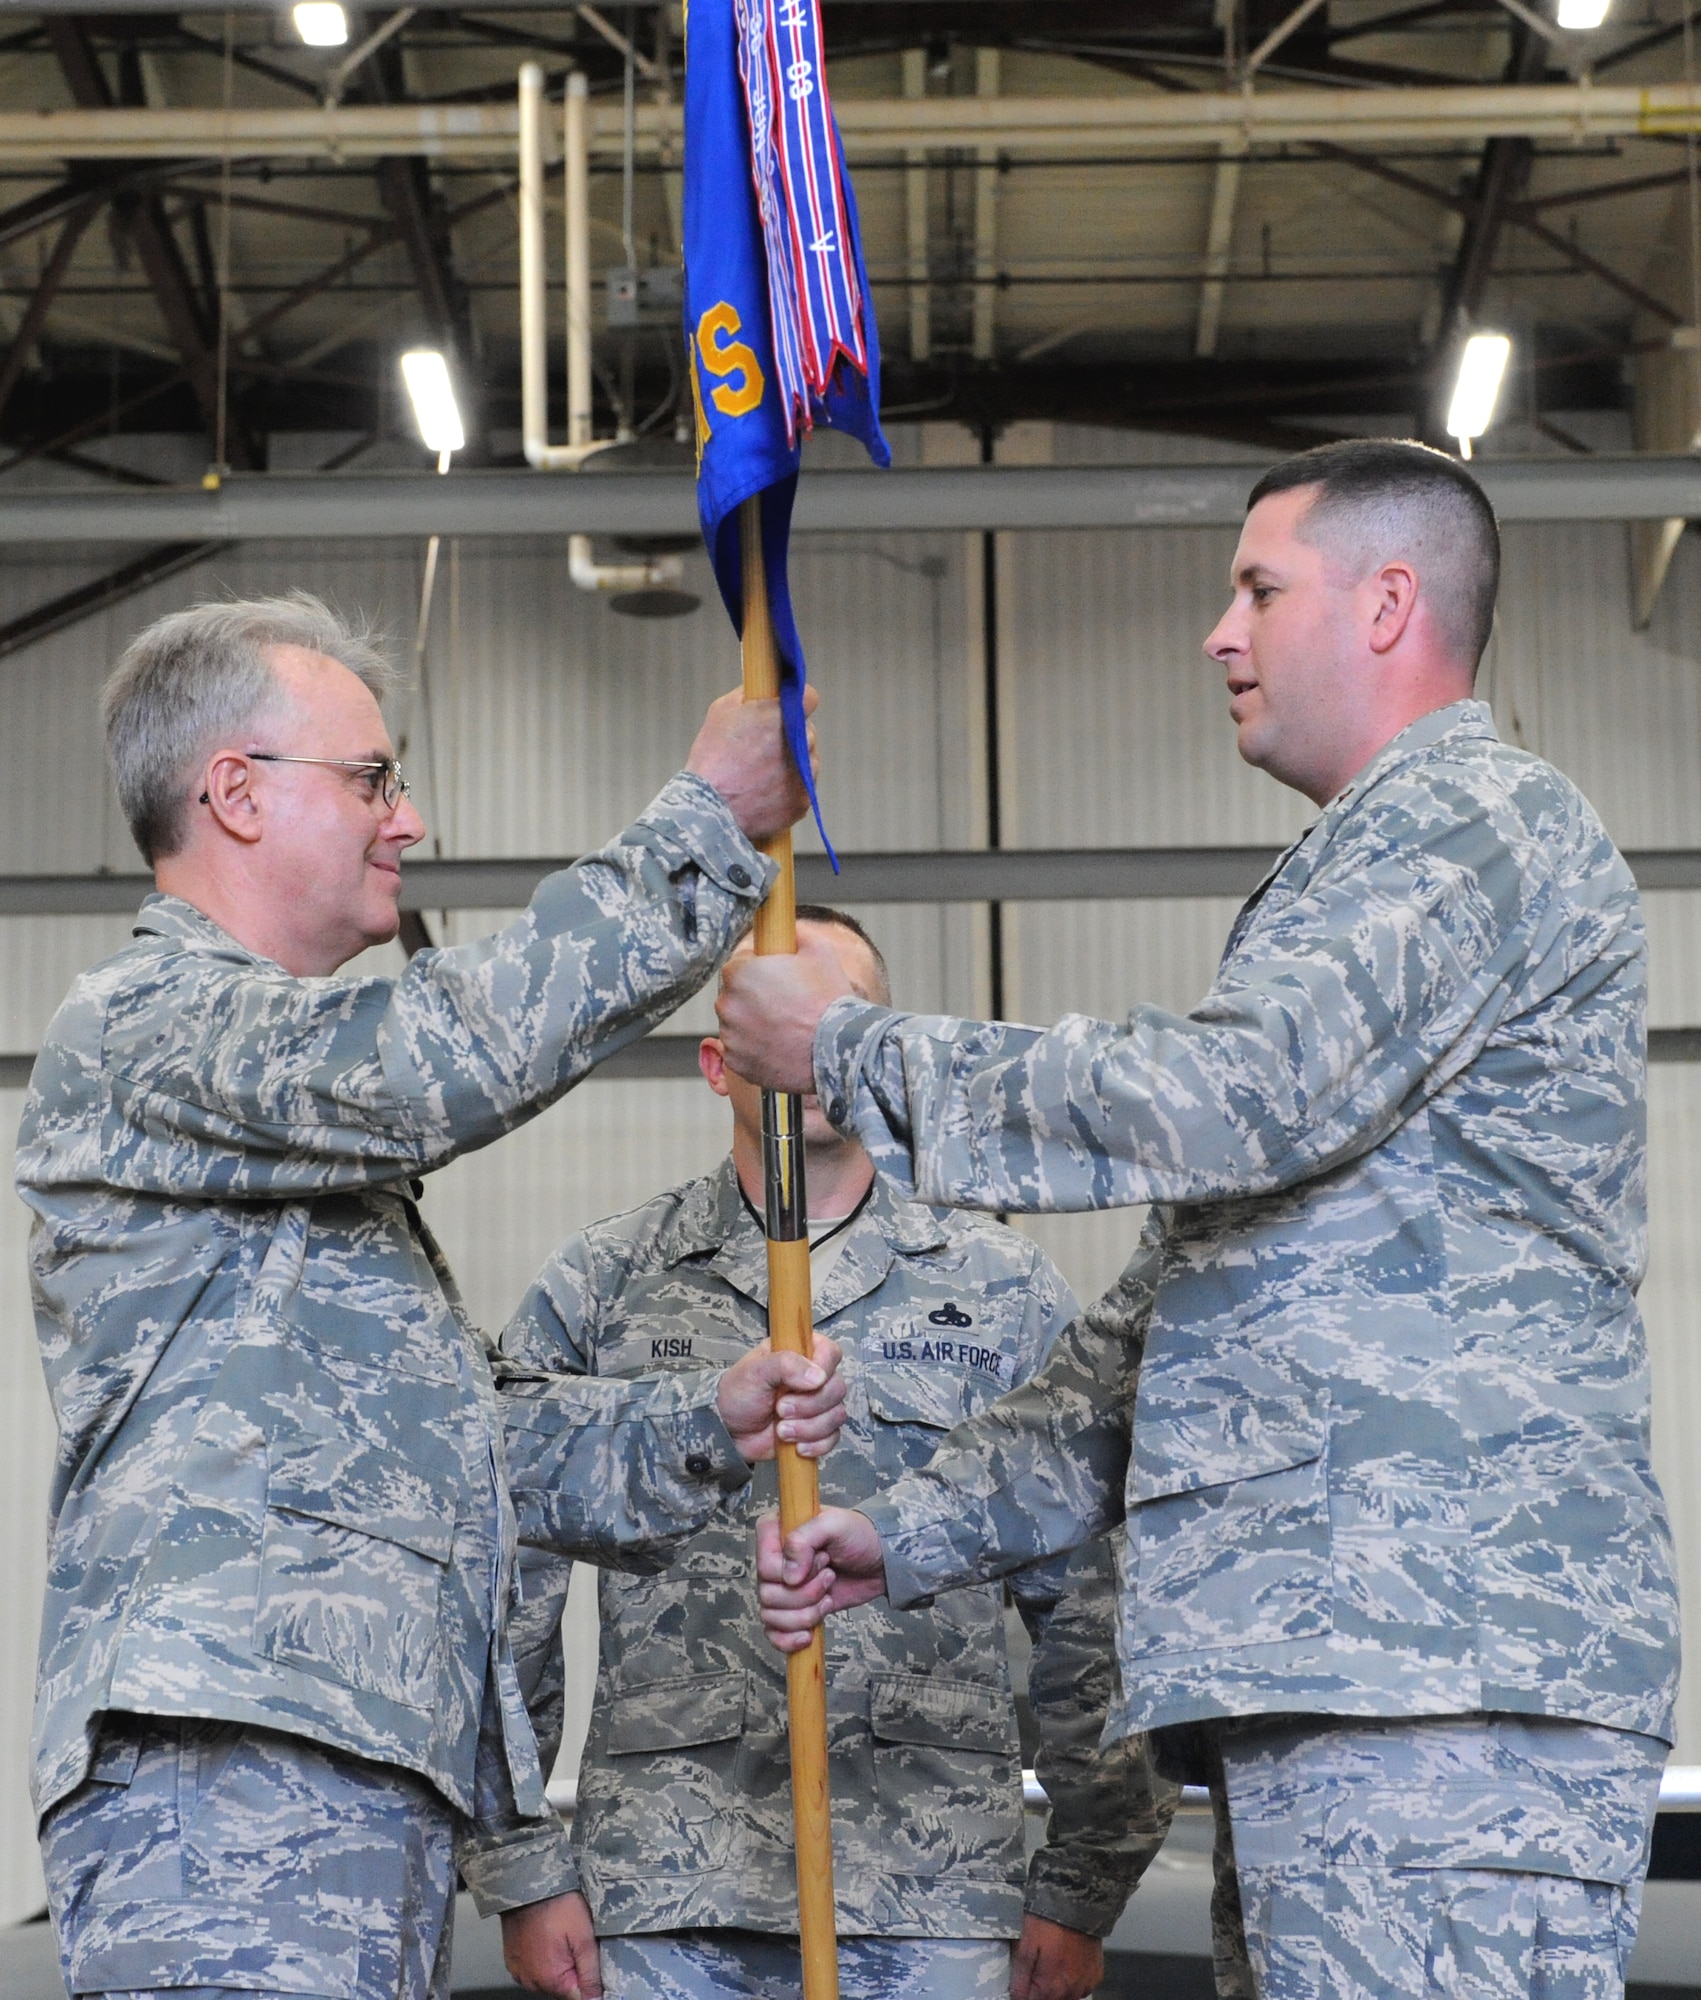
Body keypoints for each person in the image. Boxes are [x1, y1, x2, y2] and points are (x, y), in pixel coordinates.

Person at [719, 440, 1683, 2000]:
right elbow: (1155, 1341)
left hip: (1440, 1670)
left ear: (1386, 605)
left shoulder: (1475, 827)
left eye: (1257, 588)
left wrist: (848, 1051)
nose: (1217, 634)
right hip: (1349, 1676)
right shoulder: (1346, 877)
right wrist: (901, 1536)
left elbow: (1242, 1089)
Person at [19, 593, 852, 2000]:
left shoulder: (287, 1145)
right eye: (373, 779)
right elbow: (429, 1059)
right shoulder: (148, 1030)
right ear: (233, 792)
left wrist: (704, 1419)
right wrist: (703, 824)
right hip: (234, 1777)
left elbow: (469, 1452)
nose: (405, 820)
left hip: (342, 1778)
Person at [482, 906, 1178, 2000]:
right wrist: (522, 1867)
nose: (804, 1049)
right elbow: (503, 1584)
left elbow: (1094, 1605)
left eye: (834, 1018)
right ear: (719, 1062)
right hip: (668, 1889)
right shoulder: (606, 1283)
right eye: (776, 1020)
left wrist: (1083, 1880)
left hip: (935, 1885)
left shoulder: (999, 1290)